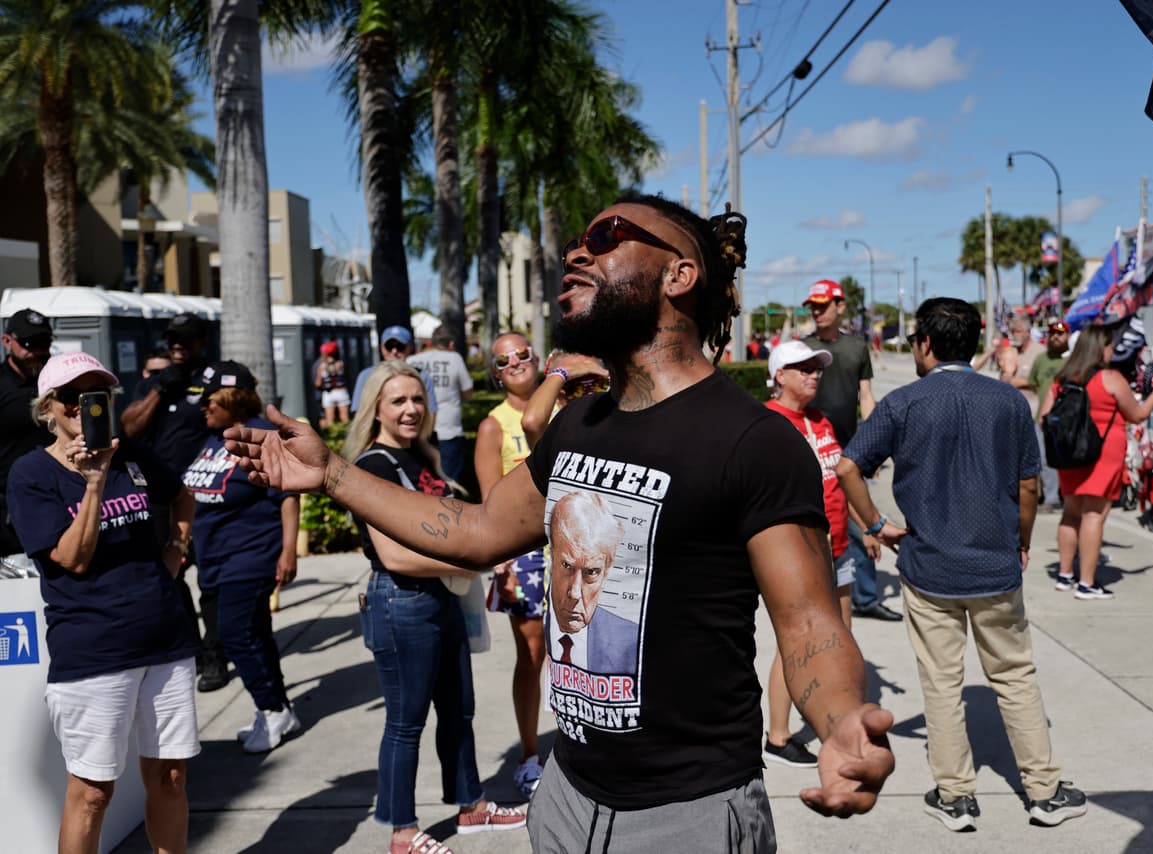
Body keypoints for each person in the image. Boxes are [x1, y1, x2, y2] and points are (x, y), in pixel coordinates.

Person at [225, 194, 895, 851]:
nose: (577, 250)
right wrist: (333, 475)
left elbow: (809, 621)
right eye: (579, 239)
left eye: (607, 236)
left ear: (678, 274)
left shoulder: (752, 440)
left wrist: (839, 722)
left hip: (688, 814)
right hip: (567, 798)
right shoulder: (580, 422)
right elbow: (480, 529)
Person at [838, 297, 1086, 831]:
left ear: (925, 344)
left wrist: (876, 525)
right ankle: (1043, 791)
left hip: (929, 568)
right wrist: (1020, 543)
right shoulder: (1008, 402)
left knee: (941, 683)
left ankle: (955, 796)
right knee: (1016, 675)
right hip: (995, 563)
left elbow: (847, 466)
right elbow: (1027, 486)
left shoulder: (904, 403)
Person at [7, 352, 200, 853]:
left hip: (165, 638)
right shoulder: (31, 475)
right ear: (48, 408)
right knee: (92, 793)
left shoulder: (130, 454)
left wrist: (176, 551)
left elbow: (182, 495)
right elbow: (72, 557)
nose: (84, 406)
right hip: (94, 652)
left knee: (172, 777)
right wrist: (93, 483)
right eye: (72, 397)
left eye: (97, 395)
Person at [344, 361, 525, 853]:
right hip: (401, 603)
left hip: (441, 599)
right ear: (375, 408)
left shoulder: (423, 458)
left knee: (458, 709)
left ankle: (471, 806)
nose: (410, 409)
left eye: (417, 399)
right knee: (406, 723)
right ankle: (402, 832)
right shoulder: (372, 468)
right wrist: (474, 563)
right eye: (398, 401)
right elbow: (395, 554)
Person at [761, 339, 880, 770]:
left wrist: (865, 527)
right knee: (796, 646)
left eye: (816, 368)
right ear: (780, 376)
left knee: (840, 639)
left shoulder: (820, 420)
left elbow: (838, 479)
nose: (814, 375)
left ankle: (838, 724)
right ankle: (777, 735)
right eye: (803, 368)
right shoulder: (769, 423)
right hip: (799, 553)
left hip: (839, 546)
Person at [184, 361, 302, 753]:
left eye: (209, 400)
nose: (202, 407)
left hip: (251, 555)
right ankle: (281, 708)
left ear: (232, 398)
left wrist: (288, 551)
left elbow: (287, 495)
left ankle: (270, 709)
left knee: (235, 634)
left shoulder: (261, 436)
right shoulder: (215, 437)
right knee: (257, 634)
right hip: (217, 559)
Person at [120, 311, 227, 692]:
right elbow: (128, 428)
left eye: (186, 340)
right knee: (171, 573)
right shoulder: (155, 383)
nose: (178, 346)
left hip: (206, 494)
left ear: (201, 342)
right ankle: (195, 648)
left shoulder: (212, 381)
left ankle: (216, 654)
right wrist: (159, 388)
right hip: (162, 496)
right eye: (173, 340)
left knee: (210, 578)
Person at [473, 331, 551, 799]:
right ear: (496, 373)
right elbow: (490, 504)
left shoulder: (565, 406)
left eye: (523, 354)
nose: (516, 362)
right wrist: (500, 561)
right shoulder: (493, 425)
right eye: (505, 360)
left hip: (573, 546)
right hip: (524, 555)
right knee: (533, 655)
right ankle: (528, 754)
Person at [1041, 325, 1153, 599]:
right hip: (1102, 451)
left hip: (1069, 454)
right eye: (1111, 346)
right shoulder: (1110, 378)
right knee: (1094, 516)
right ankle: (1087, 583)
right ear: (1100, 348)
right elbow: (1136, 414)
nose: (1113, 351)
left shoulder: (1062, 378)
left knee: (1071, 512)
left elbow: (1044, 415)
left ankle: (1065, 575)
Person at [802, 279, 899, 623]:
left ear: (840, 306)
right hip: (811, 447)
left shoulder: (857, 347)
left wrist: (873, 443)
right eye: (812, 306)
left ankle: (866, 597)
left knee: (860, 522)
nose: (817, 311)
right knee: (819, 523)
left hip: (848, 449)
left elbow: (866, 395)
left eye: (823, 305)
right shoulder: (804, 348)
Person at [546, 490, 637, 673]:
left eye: (591, 573)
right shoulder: (545, 623)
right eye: (567, 566)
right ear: (552, 554)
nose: (574, 593)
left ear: (607, 571)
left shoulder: (630, 637)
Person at [1, 309, 53, 555]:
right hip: (9, 510)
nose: (37, 351)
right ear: (7, 341)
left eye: (44, 343)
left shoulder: (58, 381)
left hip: (57, 499)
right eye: (29, 343)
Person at [407, 327, 474, 482]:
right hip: (448, 428)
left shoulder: (413, 360)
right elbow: (468, 393)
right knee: (449, 481)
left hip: (417, 428)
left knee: (421, 481)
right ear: (451, 343)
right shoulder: (455, 358)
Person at [352, 326, 438, 424]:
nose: (394, 351)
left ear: (410, 348)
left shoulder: (422, 376)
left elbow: (431, 413)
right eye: (389, 346)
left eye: (400, 346)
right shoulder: (366, 375)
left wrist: (423, 438)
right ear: (381, 348)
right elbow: (359, 413)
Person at [1026, 318, 1071, 509]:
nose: (1055, 337)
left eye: (1060, 334)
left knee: (1068, 459)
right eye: (1052, 333)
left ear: (1067, 336)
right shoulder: (1041, 360)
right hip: (1043, 418)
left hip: (1068, 419)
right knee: (1044, 459)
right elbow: (1035, 383)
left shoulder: (1073, 359)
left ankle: (1068, 497)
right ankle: (1052, 498)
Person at [314, 340, 351, 427]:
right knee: (345, 418)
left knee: (330, 420)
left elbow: (318, 383)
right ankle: (346, 436)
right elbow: (348, 377)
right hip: (342, 392)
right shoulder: (341, 364)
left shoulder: (321, 366)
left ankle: (332, 438)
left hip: (328, 393)